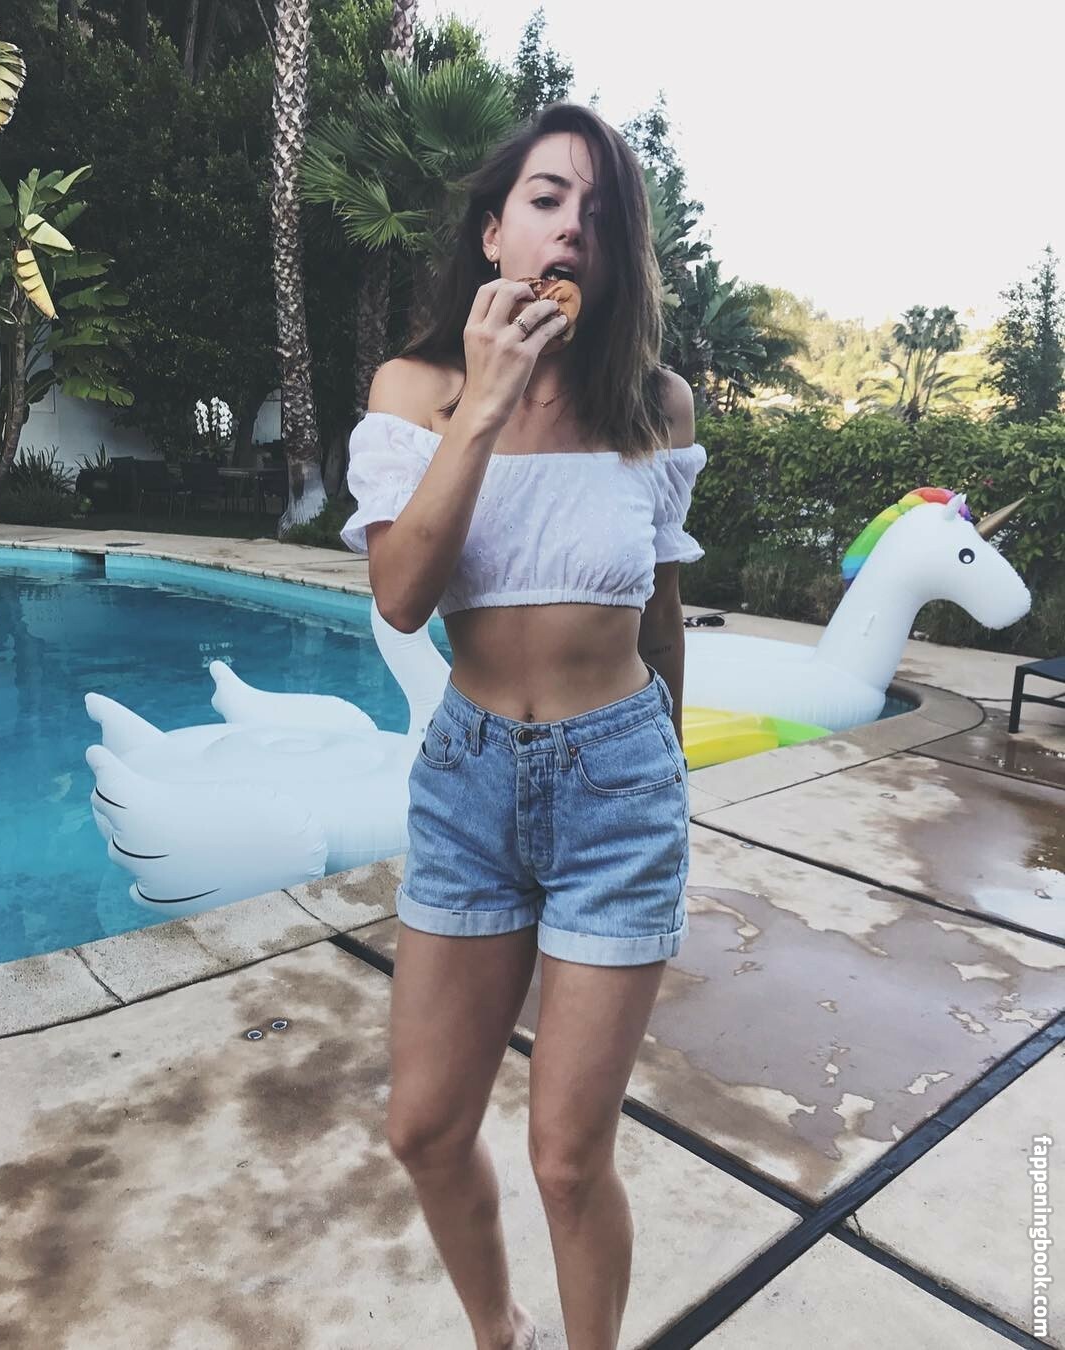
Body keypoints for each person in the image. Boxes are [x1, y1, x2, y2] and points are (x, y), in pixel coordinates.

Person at [340, 103, 707, 1350]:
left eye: (599, 213)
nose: (571, 229)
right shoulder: (415, 390)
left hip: (619, 784)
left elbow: (662, 614)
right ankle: (501, 1334)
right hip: (470, 784)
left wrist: (670, 774)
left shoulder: (654, 405)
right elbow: (403, 596)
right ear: (495, 230)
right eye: (548, 199)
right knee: (425, 1128)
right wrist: (486, 402)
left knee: (566, 1158)